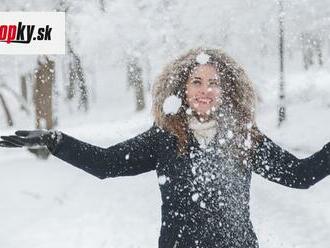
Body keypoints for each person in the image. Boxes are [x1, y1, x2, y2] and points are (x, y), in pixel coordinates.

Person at [1, 47, 330, 248]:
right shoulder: (165, 138)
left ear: (226, 90)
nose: (205, 91)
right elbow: (106, 163)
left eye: (214, 83)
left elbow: (299, 175)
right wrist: (54, 140)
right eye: (196, 82)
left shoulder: (244, 137)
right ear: (182, 89)